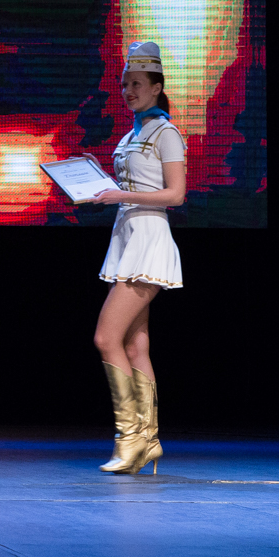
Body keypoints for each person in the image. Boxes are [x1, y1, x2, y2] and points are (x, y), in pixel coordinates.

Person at [86, 41, 186, 475]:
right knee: (134, 343)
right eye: (125, 84)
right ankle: (148, 441)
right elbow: (131, 186)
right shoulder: (132, 134)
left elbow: (175, 194)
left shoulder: (166, 133)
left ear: (157, 87)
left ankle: (129, 439)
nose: (129, 91)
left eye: (138, 84)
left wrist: (119, 195)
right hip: (126, 236)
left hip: (148, 238)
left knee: (106, 338)